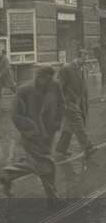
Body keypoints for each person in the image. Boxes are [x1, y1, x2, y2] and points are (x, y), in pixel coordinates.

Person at [0, 66, 64, 208]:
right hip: (32, 136)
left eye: (49, 78)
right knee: (47, 164)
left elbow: (61, 104)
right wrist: (31, 130)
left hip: (49, 133)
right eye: (42, 77)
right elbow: (16, 115)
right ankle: (53, 199)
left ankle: (7, 175)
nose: (46, 81)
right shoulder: (24, 90)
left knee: (37, 163)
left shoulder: (55, 86)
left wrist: (57, 123)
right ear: (38, 76)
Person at [55, 49, 97, 159]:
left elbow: (83, 88)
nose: (86, 60)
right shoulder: (67, 69)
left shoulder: (82, 69)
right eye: (84, 57)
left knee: (69, 126)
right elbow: (58, 87)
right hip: (69, 102)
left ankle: (61, 149)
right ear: (78, 57)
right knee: (78, 124)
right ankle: (88, 147)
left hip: (79, 102)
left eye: (86, 58)